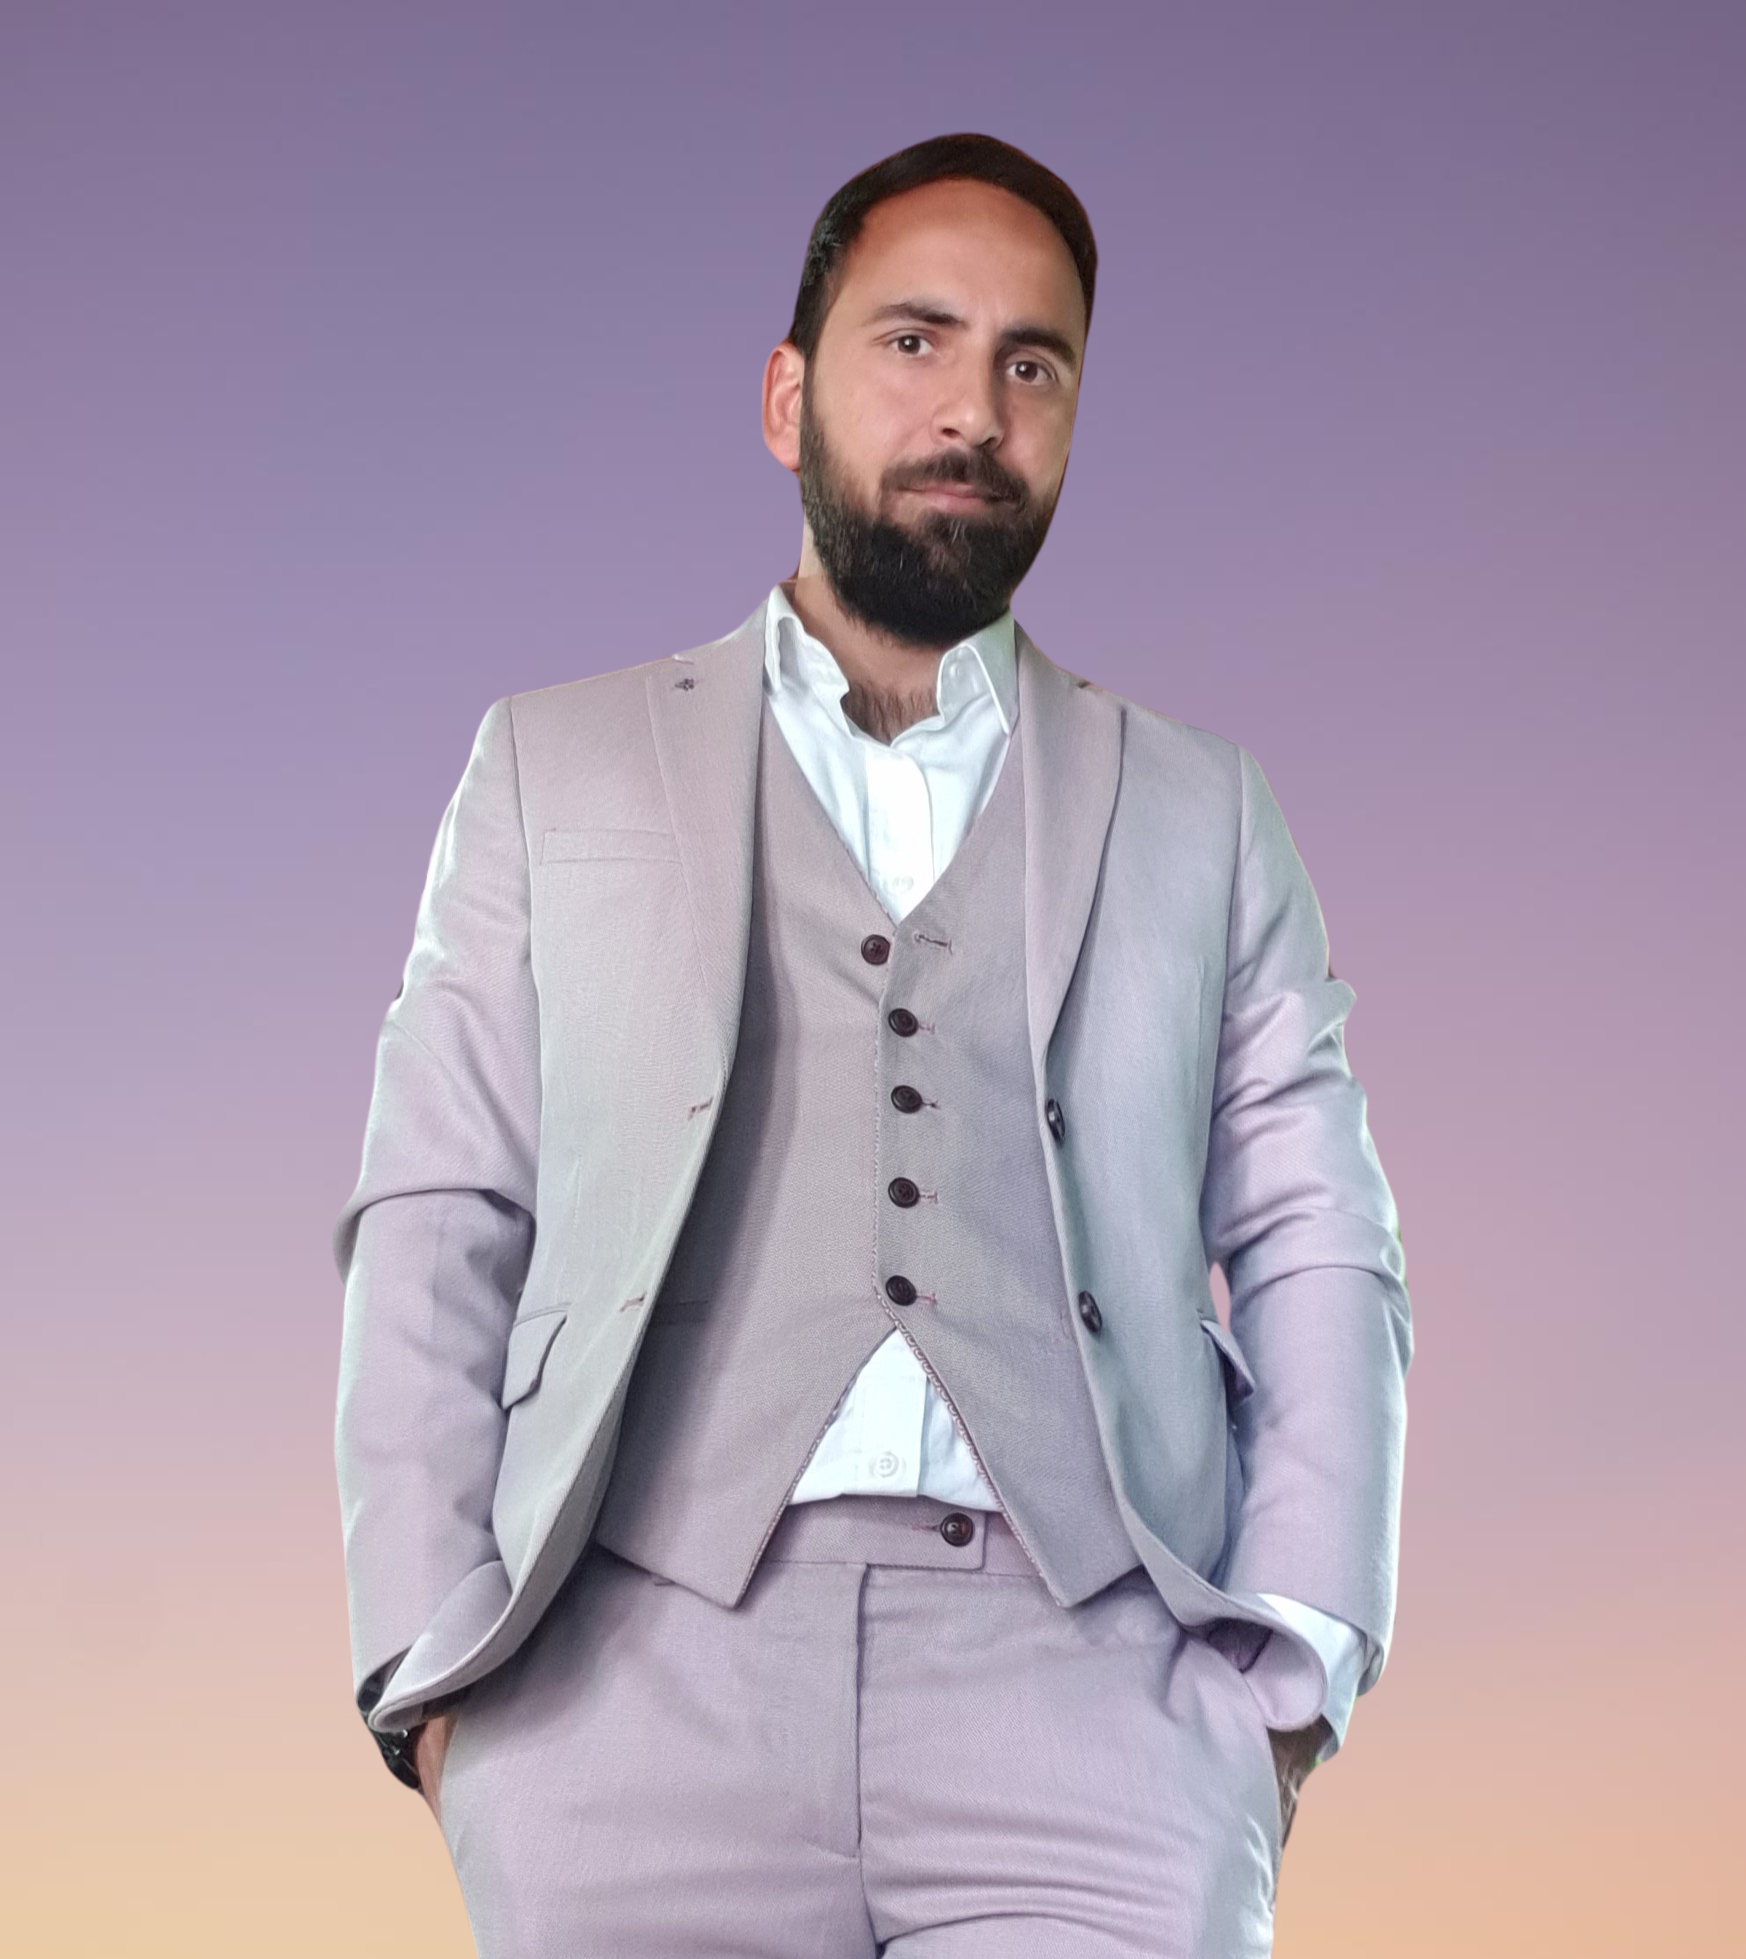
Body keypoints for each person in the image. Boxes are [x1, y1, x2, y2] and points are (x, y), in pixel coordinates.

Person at [333, 131, 1411, 1958]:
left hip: (1098, 1702)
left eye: (1030, 360)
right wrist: (441, 1675)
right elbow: (443, 1204)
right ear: (787, 394)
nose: (973, 405)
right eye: (914, 339)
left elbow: (1322, 1234)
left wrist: (1289, 1675)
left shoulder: (1203, 813)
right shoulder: (556, 764)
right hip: (629, 1686)